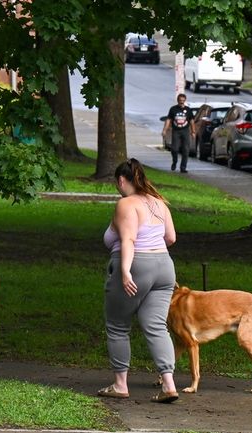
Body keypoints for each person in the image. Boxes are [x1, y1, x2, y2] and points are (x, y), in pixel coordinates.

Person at [99, 158, 179, 404]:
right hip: (165, 267)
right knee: (155, 326)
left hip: (136, 264)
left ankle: (120, 384)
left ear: (122, 180)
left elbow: (129, 240)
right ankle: (169, 384)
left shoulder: (126, 204)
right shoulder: (159, 203)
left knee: (117, 324)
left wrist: (125, 271)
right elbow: (171, 238)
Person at [162, 93, 196, 173]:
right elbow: (168, 120)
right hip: (176, 131)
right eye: (180, 101)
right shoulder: (173, 109)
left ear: (185, 101)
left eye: (183, 101)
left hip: (185, 131)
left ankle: (183, 167)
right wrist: (164, 130)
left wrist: (193, 131)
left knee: (186, 149)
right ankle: (174, 161)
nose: (181, 102)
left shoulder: (188, 110)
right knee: (174, 149)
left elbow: (191, 121)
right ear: (178, 100)